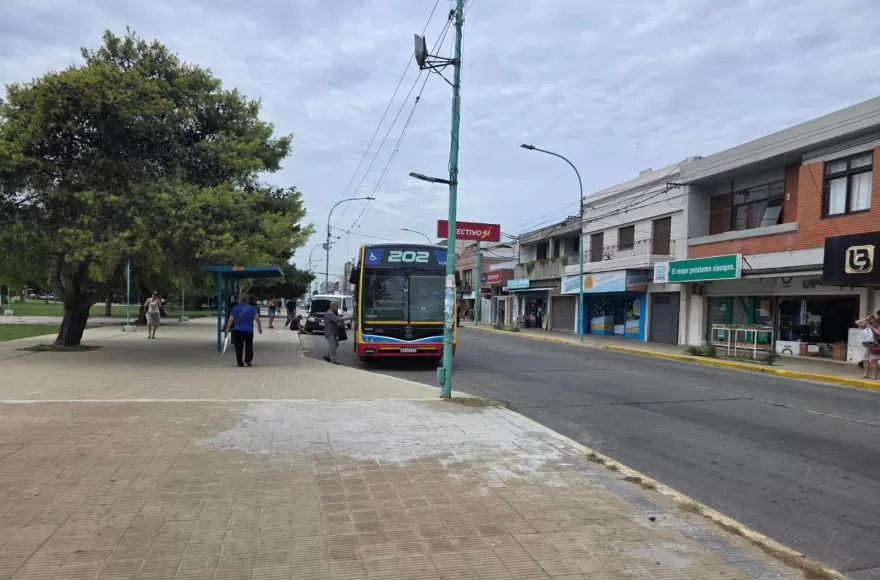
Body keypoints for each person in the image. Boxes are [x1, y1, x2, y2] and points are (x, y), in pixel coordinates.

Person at [227, 294, 262, 367]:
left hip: (237, 330)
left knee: (238, 346)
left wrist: (228, 328)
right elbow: (257, 318)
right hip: (248, 331)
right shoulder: (251, 308)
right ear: (246, 300)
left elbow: (231, 319)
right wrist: (259, 327)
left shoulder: (235, 308)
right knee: (249, 345)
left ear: (240, 300)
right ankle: (248, 359)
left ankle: (240, 362)